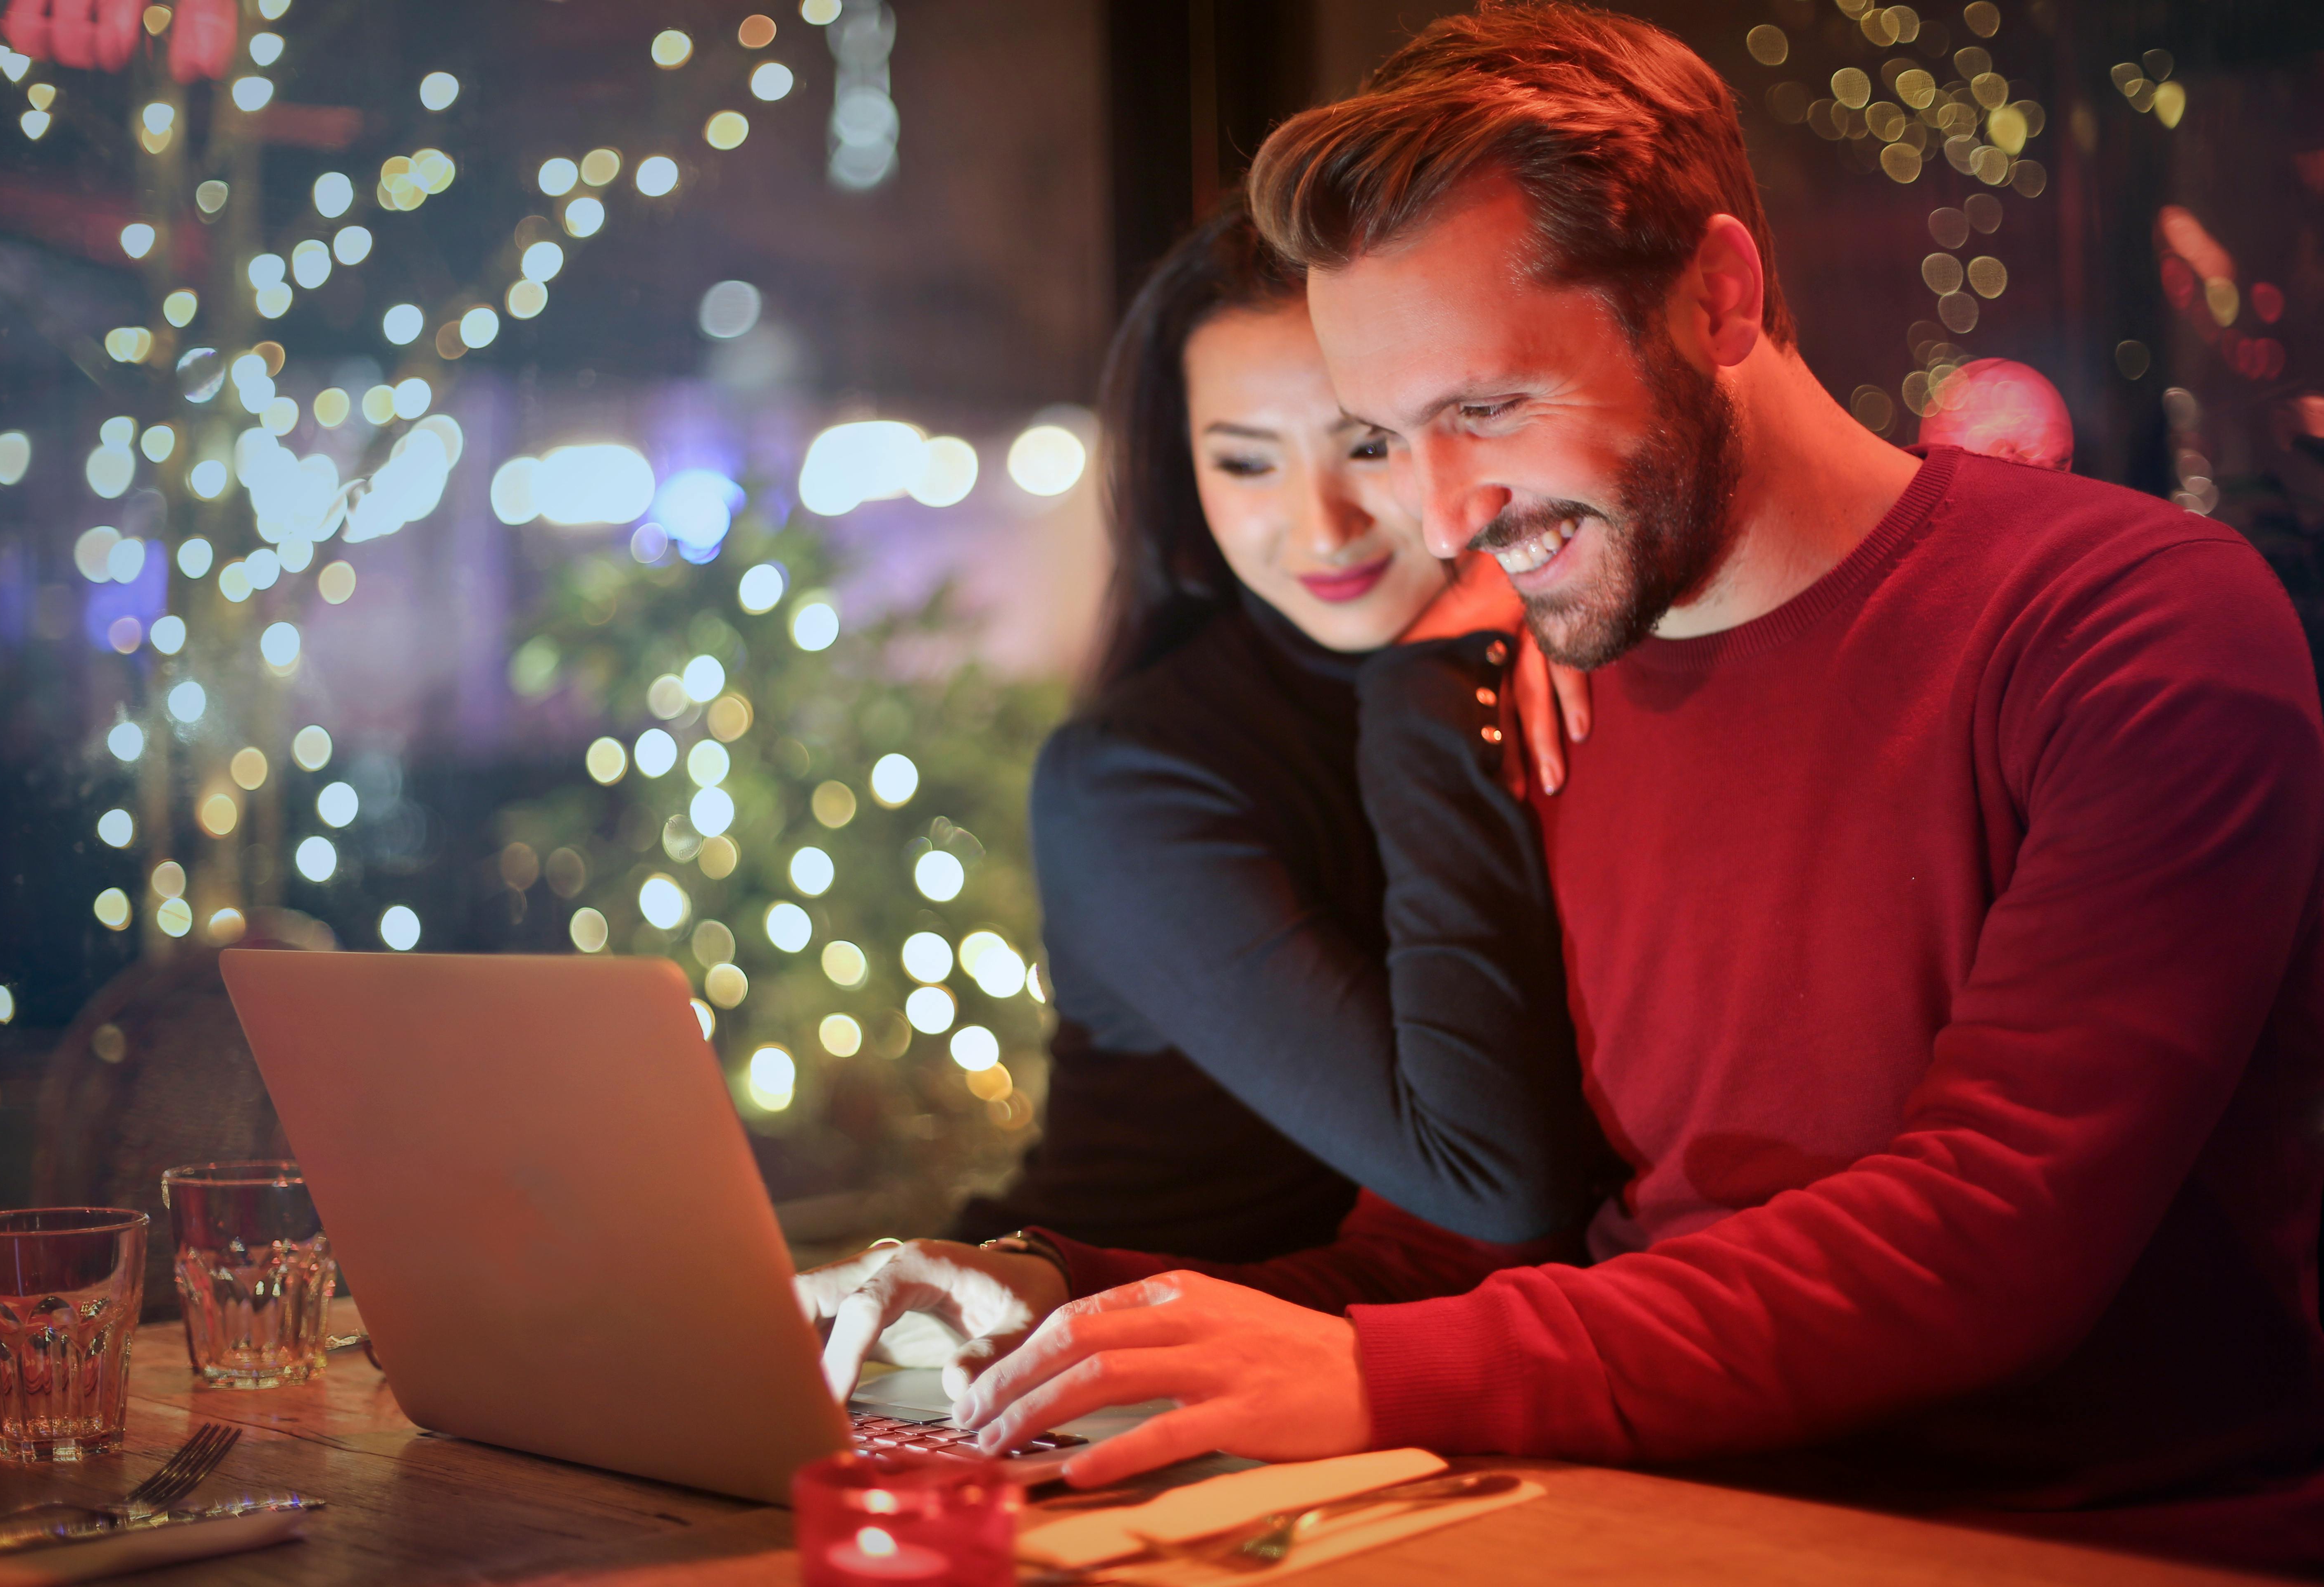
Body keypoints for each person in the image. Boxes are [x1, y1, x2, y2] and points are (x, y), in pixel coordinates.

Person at [799, 3, 2324, 1570]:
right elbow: (1479, 1250)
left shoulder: (2129, 626)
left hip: (2077, 1537)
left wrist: (1380, 1375)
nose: (1442, 516)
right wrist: (1080, 1304)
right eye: (1392, 436)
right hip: (1632, 1508)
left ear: (1718, 298)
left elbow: (2000, 1226)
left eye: (1488, 409)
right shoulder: (1549, 678)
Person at [905, 202, 1599, 1348]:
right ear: (1186, 479)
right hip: (1077, 1360)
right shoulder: (1135, 779)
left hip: (1351, 1372)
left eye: (1363, 444)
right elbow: (1488, 1182)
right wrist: (1438, 672)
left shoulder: (1551, 662)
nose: (1320, 528)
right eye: (1245, 462)